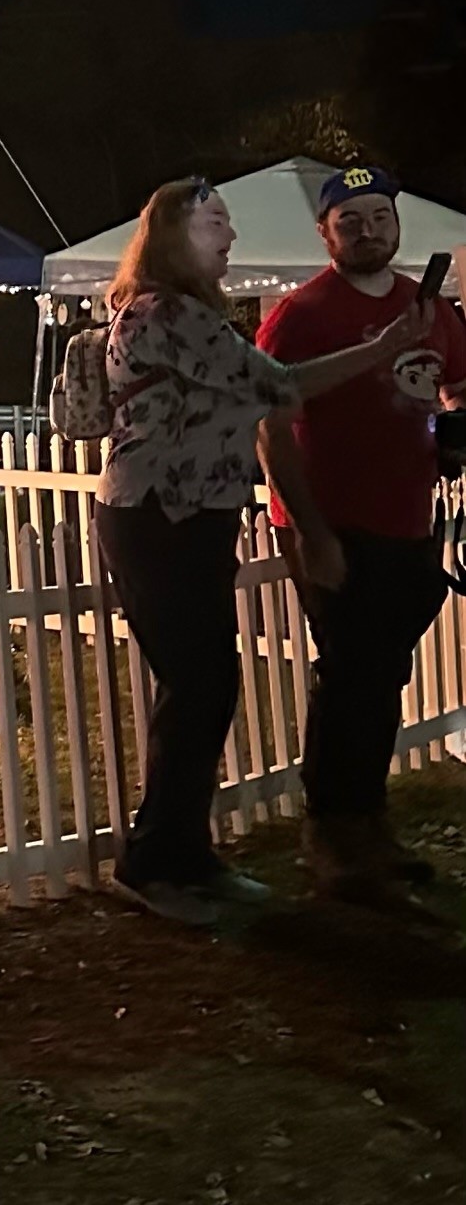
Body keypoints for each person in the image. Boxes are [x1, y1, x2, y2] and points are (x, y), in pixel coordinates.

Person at [94, 177, 427, 927]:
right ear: (175, 232)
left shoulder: (181, 315)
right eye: (216, 222)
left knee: (206, 683)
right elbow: (278, 387)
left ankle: (185, 854)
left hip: (185, 516)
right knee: (200, 685)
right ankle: (157, 860)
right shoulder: (169, 313)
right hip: (160, 518)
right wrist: (380, 349)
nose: (231, 236)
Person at [255, 166, 466, 904]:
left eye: (380, 218)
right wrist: (310, 530)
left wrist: (451, 423)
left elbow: (454, 382)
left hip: (410, 516)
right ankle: (331, 833)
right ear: (326, 232)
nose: (369, 231)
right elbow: (270, 425)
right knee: (349, 675)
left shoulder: (429, 306)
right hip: (334, 520)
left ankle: (370, 822)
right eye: (352, 221)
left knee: (386, 676)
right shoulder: (300, 314)